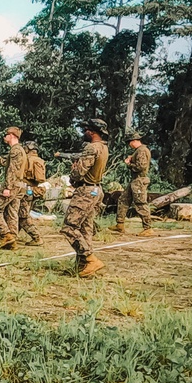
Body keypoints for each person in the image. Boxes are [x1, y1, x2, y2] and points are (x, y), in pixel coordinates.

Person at [61, 118, 110, 278]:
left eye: (87, 129)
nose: (85, 132)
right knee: (85, 229)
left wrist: (74, 168)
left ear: (92, 131)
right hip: (96, 190)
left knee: (69, 227)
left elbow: (78, 173)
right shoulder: (104, 148)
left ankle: (90, 259)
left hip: (85, 191)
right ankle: (82, 266)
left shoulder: (91, 148)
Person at [0, 126, 27, 250]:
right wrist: (0, 160)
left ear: (12, 136)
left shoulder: (15, 150)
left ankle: (6, 235)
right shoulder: (20, 150)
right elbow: (11, 164)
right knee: (12, 212)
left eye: (6, 135)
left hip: (13, 185)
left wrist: (8, 187)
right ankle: (12, 239)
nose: (4, 137)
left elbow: (12, 169)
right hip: (20, 185)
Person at [113, 132, 154, 237]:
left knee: (140, 203)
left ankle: (148, 228)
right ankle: (120, 224)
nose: (129, 145)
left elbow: (141, 166)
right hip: (135, 180)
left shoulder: (141, 151)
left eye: (129, 142)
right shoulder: (139, 151)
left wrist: (129, 164)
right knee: (123, 199)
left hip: (139, 180)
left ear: (134, 141)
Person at [17, 140, 47, 247]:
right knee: (19, 214)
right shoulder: (39, 160)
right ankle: (12, 235)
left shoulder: (27, 160)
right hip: (33, 190)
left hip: (25, 190)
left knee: (22, 216)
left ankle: (36, 237)